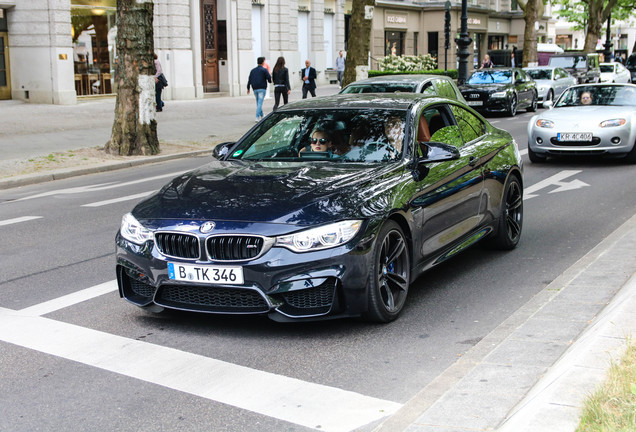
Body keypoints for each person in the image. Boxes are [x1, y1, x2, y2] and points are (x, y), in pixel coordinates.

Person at [247, 56, 272, 122]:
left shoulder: (253, 70)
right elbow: (269, 78)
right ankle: (257, 117)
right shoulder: (264, 70)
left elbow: (249, 79)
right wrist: (270, 81)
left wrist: (248, 87)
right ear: (263, 62)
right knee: (260, 103)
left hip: (255, 88)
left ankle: (262, 115)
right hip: (262, 88)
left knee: (258, 102)